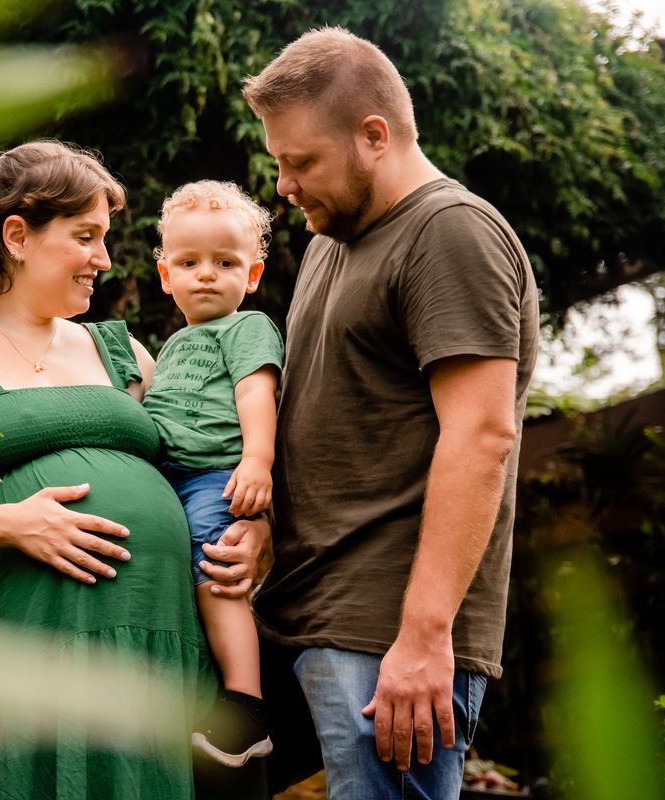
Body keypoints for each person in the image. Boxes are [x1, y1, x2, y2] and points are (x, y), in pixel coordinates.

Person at [0, 140, 271, 799]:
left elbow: (212, 460)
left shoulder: (127, 353)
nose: (105, 261)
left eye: (105, 239)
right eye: (87, 237)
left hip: (160, 648)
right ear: (19, 235)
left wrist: (257, 529)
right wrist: (12, 524)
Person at [239, 26, 540, 800]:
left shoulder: (450, 233)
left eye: (300, 162)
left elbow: (482, 434)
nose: (284, 185)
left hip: (384, 639)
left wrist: (424, 638)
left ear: (373, 136)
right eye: (279, 162)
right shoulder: (332, 244)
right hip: (299, 611)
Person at [142, 181, 283, 768]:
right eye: (189, 262)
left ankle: (245, 707)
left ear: (251, 276)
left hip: (215, 476)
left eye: (225, 263)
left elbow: (256, 392)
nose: (206, 274)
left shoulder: (246, 328)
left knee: (216, 571)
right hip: (168, 477)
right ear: (165, 274)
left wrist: (257, 461)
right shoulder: (173, 343)